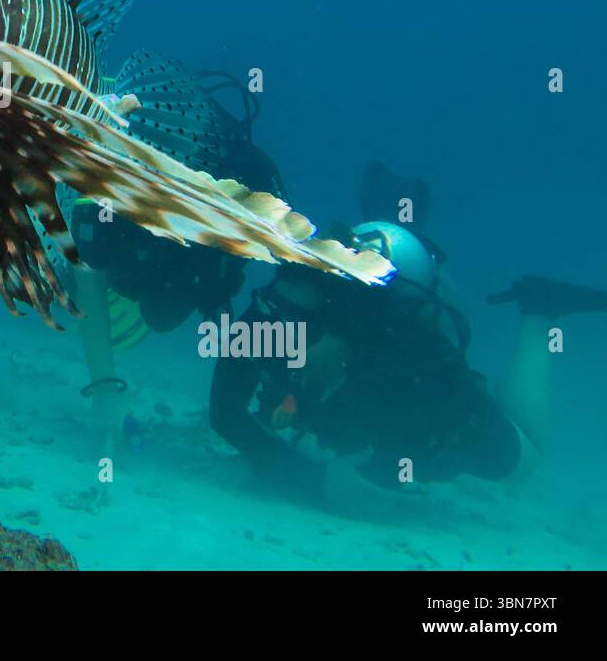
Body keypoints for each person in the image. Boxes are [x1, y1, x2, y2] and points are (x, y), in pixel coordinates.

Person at [208, 209, 607, 498]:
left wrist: (310, 477)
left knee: (526, 460)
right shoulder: (278, 312)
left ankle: (540, 313)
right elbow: (226, 413)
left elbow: (373, 475)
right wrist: (275, 457)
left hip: (435, 405)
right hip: (376, 374)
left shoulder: (406, 375)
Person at [65, 53, 283, 451]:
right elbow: (86, 274)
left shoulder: (243, 180)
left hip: (188, 265)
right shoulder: (105, 180)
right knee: (70, 267)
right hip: (140, 252)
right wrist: (105, 390)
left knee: (162, 313)